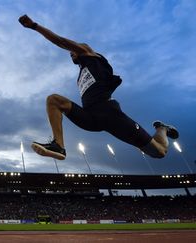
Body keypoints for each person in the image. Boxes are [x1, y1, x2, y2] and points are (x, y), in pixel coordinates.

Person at [18, 14, 178, 160]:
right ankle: (58, 146)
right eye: (70, 53)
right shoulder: (81, 74)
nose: (71, 53)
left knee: (158, 152)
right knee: (53, 100)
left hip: (110, 114)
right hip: (90, 117)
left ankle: (162, 128)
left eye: (73, 50)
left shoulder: (90, 53)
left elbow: (61, 41)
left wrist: (34, 26)